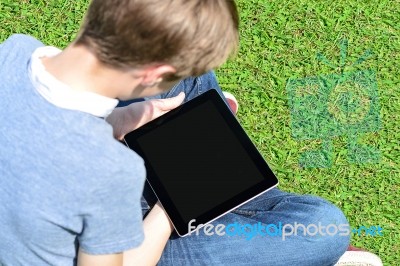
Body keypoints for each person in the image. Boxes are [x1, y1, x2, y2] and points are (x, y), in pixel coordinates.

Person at [0, 0, 351, 265]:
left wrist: (122, 121)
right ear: (152, 74)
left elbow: (41, 133)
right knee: (323, 229)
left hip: (71, 192)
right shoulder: (110, 171)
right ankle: (217, 204)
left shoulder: (16, 50)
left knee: (189, 84)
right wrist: (183, 197)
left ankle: (222, 195)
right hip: (121, 246)